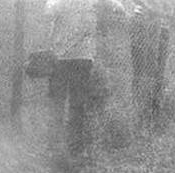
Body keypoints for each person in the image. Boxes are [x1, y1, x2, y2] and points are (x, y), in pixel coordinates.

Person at [44, 0, 123, 158]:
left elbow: (118, 8)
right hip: (65, 57)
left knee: (72, 104)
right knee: (66, 103)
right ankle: (61, 147)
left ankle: (67, 147)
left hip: (76, 57)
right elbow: (49, 11)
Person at [128, 0, 175, 124]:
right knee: (141, 70)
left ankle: (154, 116)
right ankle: (138, 115)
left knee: (158, 73)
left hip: (163, 28)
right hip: (143, 24)